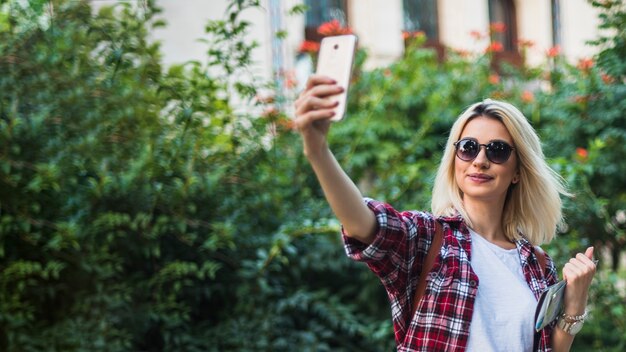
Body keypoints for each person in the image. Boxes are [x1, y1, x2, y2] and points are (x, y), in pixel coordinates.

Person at [293, 74, 597, 352]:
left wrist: (576, 300)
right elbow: (364, 224)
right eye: (468, 147)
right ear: (455, 159)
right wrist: (317, 150)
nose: (480, 160)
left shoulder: (537, 263)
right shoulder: (427, 238)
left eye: (498, 150)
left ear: (517, 171)